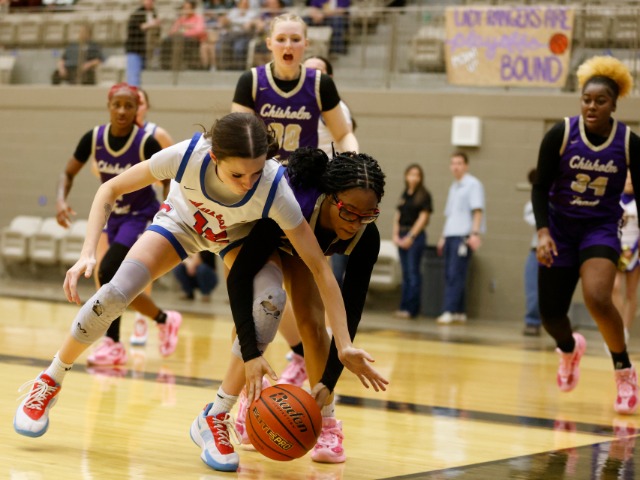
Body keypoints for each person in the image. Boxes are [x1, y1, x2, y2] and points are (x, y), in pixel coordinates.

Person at [14, 114, 384, 474]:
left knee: (271, 303)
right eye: (237, 175)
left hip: (236, 238)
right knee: (113, 294)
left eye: (256, 173)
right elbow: (109, 189)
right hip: (181, 225)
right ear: (215, 157)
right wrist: (87, 253)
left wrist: (344, 344)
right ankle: (50, 378)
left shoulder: (275, 187)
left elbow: (320, 268)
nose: (247, 183)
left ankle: (216, 415)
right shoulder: (186, 155)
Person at [218, 146, 388, 467]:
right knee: (258, 309)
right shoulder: (291, 201)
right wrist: (251, 355)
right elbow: (239, 278)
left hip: (301, 248)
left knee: (312, 322)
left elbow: (350, 310)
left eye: (367, 215)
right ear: (330, 197)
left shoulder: (367, 236)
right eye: (349, 212)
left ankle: (327, 421)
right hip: (253, 233)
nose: (356, 223)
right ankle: (247, 395)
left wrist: (329, 380)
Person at [229, 12, 358, 389]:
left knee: (311, 319)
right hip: (258, 202)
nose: (288, 46)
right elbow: (237, 138)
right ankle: (242, 401)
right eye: (281, 39)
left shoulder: (320, 84)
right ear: (269, 43)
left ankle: (326, 413)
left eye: (295, 39)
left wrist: (352, 167)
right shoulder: (251, 81)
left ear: (306, 44)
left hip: (302, 202)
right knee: (252, 311)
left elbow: (343, 134)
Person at [532, 55, 640, 415]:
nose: (592, 106)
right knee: (551, 316)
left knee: (597, 296)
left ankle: (624, 371)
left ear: (614, 104)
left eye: (600, 101)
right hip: (559, 230)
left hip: (600, 229)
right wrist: (543, 232)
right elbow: (540, 187)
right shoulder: (561, 134)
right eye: (586, 100)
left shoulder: (629, 142)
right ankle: (569, 348)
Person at [53, 83, 182, 368]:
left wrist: (167, 209)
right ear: (109, 106)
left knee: (109, 270)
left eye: (128, 106)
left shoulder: (146, 142)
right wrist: (61, 199)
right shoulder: (94, 138)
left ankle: (113, 344)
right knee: (112, 282)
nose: (122, 110)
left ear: (137, 110)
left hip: (140, 215)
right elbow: (68, 172)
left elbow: (169, 180)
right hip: (112, 217)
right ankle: (164, 319)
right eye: (117, 105)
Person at [303, 54, 355, 287]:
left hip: (321, 188)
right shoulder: (293, 103)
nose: (313, 75)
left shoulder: (335, 108)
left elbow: (346, 142)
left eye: (319, 71)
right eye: (308, 70)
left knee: (317, 258)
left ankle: (324, 309)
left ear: (329, 78)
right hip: (296, 182)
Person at [436, 151, 485, 324]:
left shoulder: (473, 184)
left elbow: (477, 210)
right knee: (452, 274)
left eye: (459, 163)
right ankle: (459, 311)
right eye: (453, 163)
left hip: (463, 236)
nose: (455, 167)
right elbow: (450, 214)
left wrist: (474, 233)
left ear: (466, 166)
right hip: (450, 235)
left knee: (455, 274)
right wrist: (443, 237)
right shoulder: (453, 186)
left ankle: (449, 310)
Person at [392, 164, 432, 319]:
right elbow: (398, 215)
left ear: (420, 178)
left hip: (415, 236)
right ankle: (403, 307)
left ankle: (411, 309)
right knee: (405, 274)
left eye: (416, 175)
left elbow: (423, 218)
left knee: (413, 272)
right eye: (410, 174)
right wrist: (396, 234)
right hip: (402, 233)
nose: (413, 178)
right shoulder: (405, 194)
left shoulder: (423, 195)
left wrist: (411, 237)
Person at [612, 170, 639, 345]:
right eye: (627, 177)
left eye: (632, 178)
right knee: (614, 287)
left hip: (634, 251)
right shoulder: (615, 200)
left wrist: (633, 250)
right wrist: (618, 248)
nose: (629, 181)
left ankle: (626, 330)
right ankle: (619, 325)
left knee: (631, 292)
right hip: (617, 249)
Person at [160, 0, 209, 70]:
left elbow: (199, 31)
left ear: (193, 9)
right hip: (179, 39)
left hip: (194, 40)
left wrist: (185, 32)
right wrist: (185, 28)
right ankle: (166, 66)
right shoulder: (181, 19)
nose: (185, 10)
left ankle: (184, 65)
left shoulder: (198, 18)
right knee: (166, 41)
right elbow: (172, 31)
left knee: (183, 40)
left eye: (187, 8)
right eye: (184, 8)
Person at [125, 0, 162, 87]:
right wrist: (151, 24)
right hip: (134, 49)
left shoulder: (154, 13)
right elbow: (138, 27)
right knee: (133, 77)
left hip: (147, 50)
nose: (149, 2)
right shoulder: (137, 14)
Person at [215, 0, 260, 71]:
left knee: (238, 48)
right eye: (243, 4)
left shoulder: (252, 13)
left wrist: (251, 23)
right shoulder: (233, 12)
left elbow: (252, 24)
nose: (244, 6)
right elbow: (226, 21)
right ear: (239, 5)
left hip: (244, 36)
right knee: (220, 46)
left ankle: (238, 69)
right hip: (231, 35)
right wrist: (224, 21)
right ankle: (224, 68)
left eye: (246, 4)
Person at [523, 168, 541, 336]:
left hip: (558, 251)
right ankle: (532, 321)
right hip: (537, 250)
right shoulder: (532, 203)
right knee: (532, 290)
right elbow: (536, 221)